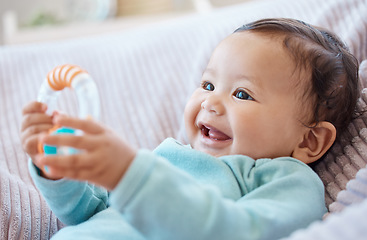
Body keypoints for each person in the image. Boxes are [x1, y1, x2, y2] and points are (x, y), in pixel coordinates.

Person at [20, 18, 359, 240]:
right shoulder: (169, 155)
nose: (211, 103)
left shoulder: (286, 180)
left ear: (309, 139)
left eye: (242, 93)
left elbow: (239, 233)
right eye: (208, 85)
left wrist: (130, 175)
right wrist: (58, 168)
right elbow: (89, 214)